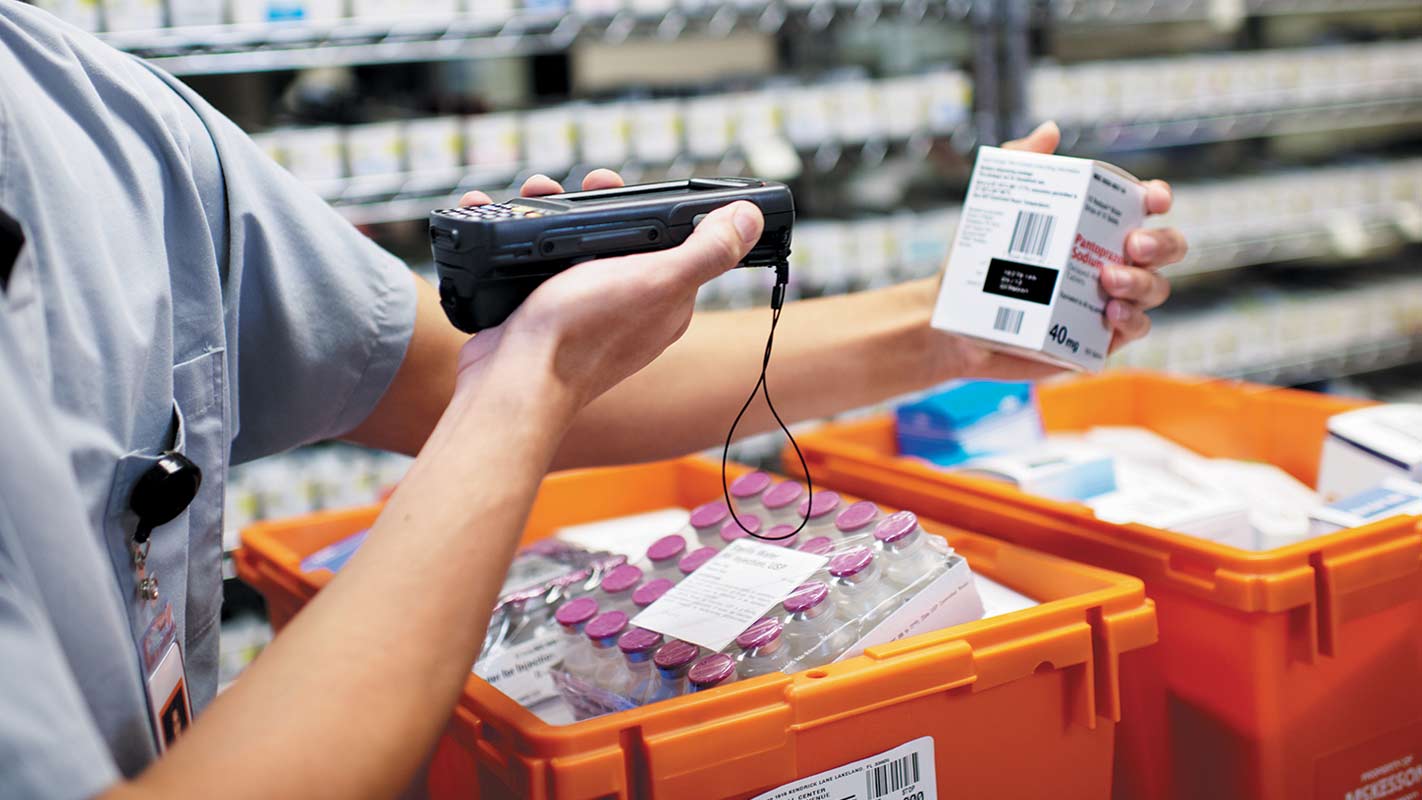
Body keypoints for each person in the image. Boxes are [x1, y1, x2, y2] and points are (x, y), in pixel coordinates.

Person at [0, 3, 1184, 798]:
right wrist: (532, 380)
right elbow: (509, 380)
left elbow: (436, 371)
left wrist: (943, 330)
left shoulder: (97, 120)